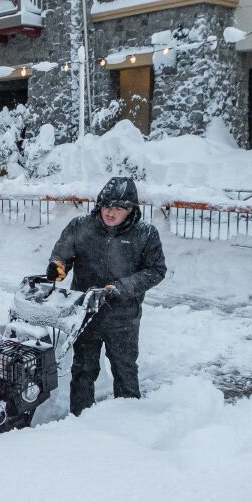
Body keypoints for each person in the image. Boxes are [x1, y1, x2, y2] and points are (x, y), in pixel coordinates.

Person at [45, 176, 166, 414]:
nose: (111, 213)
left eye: (120, 208)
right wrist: (57, 266)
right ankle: (80, 419)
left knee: (125, 370)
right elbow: (62, 254)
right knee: (83, 370)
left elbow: (156, 271)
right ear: (99, 204)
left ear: (131, 210)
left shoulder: (146, 234)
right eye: (107, 206)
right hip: (86, 312)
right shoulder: (80, 227)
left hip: (122, 318)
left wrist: (120, 287)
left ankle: (127, 421)